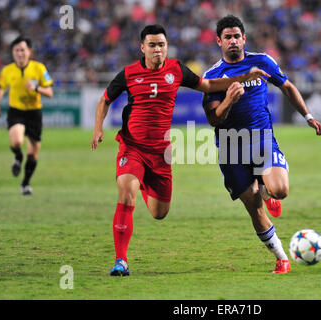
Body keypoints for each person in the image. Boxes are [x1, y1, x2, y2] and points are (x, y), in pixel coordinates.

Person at [90, 24, 269, 276]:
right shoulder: (129, 74)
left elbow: (207, 85)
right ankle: (121, 261)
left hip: (161, 153)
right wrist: (98, 128)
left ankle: (141, 182)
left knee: (159, 213)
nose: (157, 49)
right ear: (142, 48)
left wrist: (242, 78)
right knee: (126, 193)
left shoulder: (176, 70)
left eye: (161, 44)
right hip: (132, 148)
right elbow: (104, 99)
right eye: (152, 45)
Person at [202, 15, 321, 274]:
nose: (233, 41)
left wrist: (309, 116)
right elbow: (214, 119)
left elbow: (287, 86)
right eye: (228, 37)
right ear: (219, 42)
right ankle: (281, 257)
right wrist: (229, 100)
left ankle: (268, 190)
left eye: (237, 36)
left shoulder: (263, 61)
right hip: (231, 147)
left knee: (280, 190)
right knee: (253, 206)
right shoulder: (212, 77)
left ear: (244, 38)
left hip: (261, 138)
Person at [0, 36, 53, 195]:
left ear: (29, 52)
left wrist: (36, 89)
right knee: (17, 140)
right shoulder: (7, 70)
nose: (20, 53)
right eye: (16, 50)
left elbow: (50, 92)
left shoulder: (39, 68)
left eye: (22, 50)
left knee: (33, 154)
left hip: (34, 113)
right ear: (13, 53)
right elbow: (0, 88)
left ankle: (25, 183)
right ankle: (18, 157)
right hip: (16, 111)